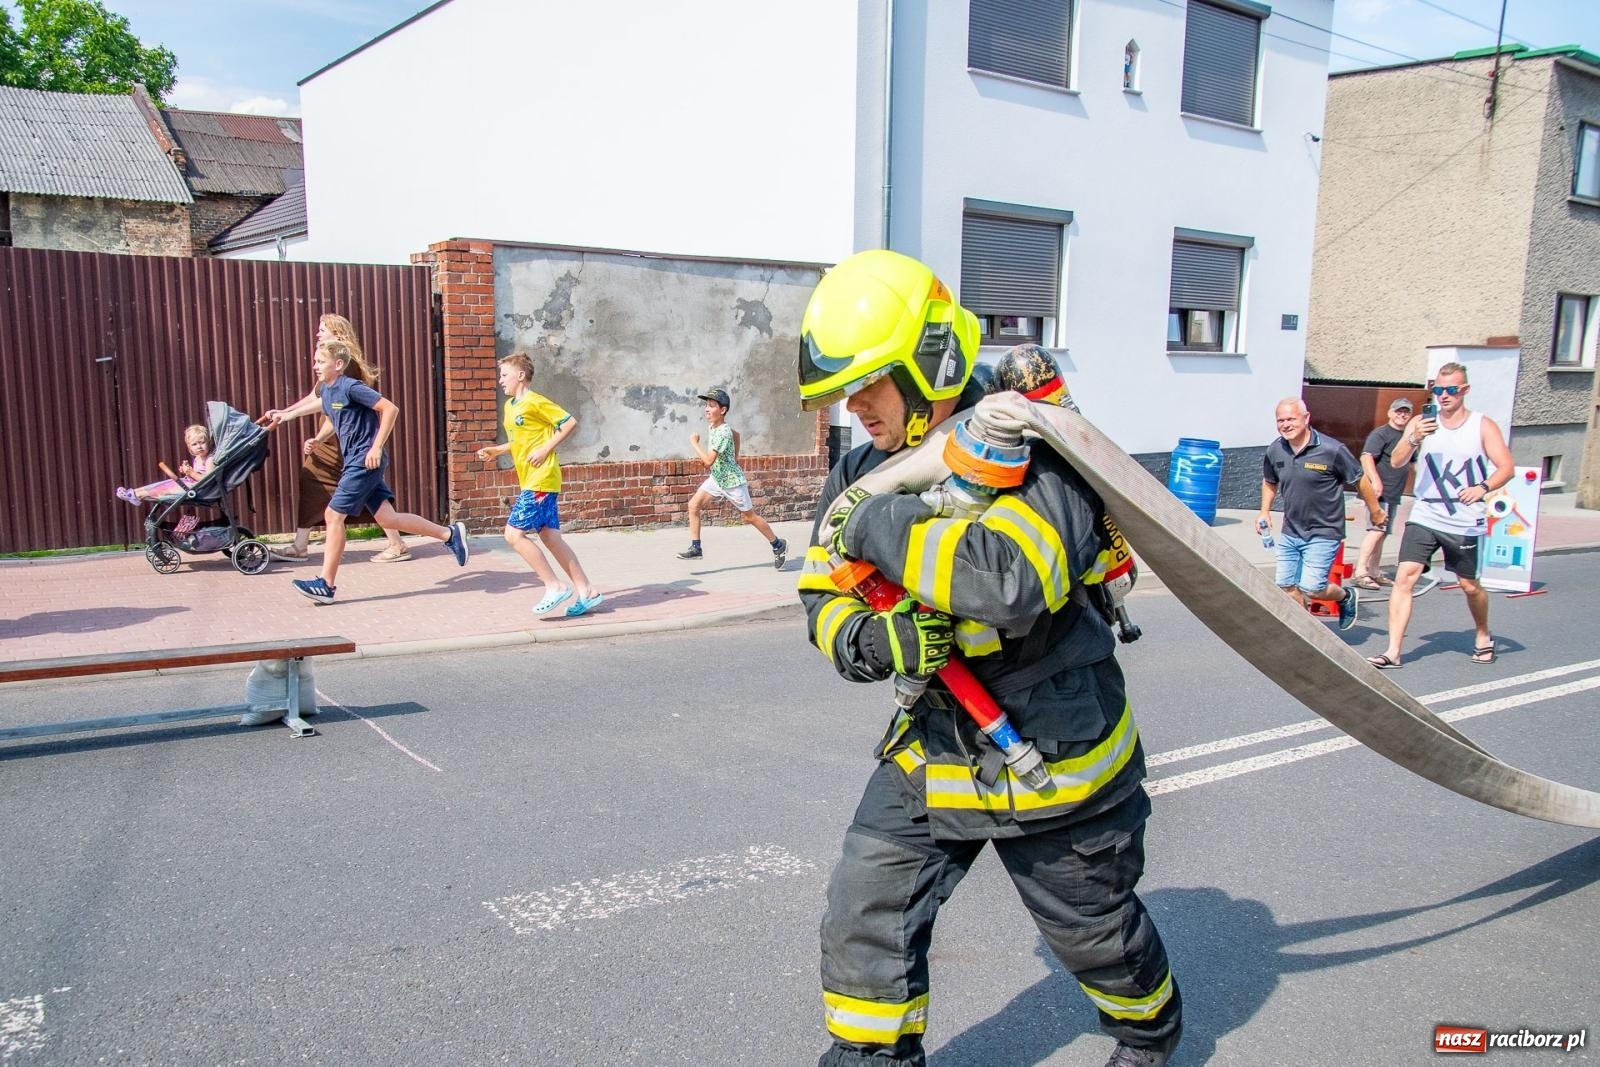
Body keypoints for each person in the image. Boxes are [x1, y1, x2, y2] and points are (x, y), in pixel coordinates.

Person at [795, 250, 1181, 1067]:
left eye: (871, 382)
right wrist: (870, 640)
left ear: (929, 363)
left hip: (1055, 744)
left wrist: (873, 521)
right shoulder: (862, 469)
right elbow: (820, 586)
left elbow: (1005, 581)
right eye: (846, 389)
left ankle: (1148, 1035)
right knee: (866, 907)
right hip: (937, 739)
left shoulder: (1035, 448)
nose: (853, 405)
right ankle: (872, 1058)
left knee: (1092, 931)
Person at [285, 339, 468, 604]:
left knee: (333, 515)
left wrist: (376, 447)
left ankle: (326, 584)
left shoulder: (352, 387)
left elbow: (390, 409)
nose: (315, 366)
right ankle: (450, 534)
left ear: (338, 364)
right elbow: (334, 420)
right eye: (315, 361)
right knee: (388, 518)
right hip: (355, 461)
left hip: (364, 461)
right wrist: (318, 440)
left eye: (321, 362)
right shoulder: (327, 390)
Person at [1367, 362, 1513, 669]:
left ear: (1465, 390)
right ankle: (1393, 650)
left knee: (1469, 585)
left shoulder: (1482, 425)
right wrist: (1413, 438)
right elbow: (1396, 461)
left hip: (1464, 518)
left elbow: (1506, 468)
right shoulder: (1421, 422)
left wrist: (1482, 488)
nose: (1444, 396)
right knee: (1405, 577)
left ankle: (1482, 633)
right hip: (1426, 513)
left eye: (1451, 390)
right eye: (1438, 389)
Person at [261, 313, 408, 563]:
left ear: (337, 333)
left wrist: (292, 415)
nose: (317, 333)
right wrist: (285, 412)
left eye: (323, 329)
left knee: (352, 488)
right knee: (355, 488)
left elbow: (333, 401)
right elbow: (316, 395)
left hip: (346, 439)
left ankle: (316, 559)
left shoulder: (343, 364)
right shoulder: (328, 359)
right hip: (335, 435)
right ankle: (303, 546)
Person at [475, 351, 603, 617]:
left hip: (541, 479)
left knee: (513, 535)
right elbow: (521, 441)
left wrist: (545, 449)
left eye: (505, 375)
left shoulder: (535, 401)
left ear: (521, 375)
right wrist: (497, 450)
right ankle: (587, 590)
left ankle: (554, 586)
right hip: (532, 480)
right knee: (550, 537)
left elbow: (569, 422)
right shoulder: (510, 407)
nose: (500, 380)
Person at [1258, 398, 1384, 631]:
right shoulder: (1275, 449)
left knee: (1313, 588)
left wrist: (1375, 511)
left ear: (1306, 418)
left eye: (1291, 419)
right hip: (1291, 530)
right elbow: (1269, 481)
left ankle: (1346, 596)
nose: (1285, 425)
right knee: (1285, 585)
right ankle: (1304, 632)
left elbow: (1360, 480)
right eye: (1280, 420)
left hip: (1324, 531)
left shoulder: (1332, 450)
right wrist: (1264, 511)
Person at [675, 386, 788, 568]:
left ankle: (778, 544)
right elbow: (737, 435)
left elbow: (708, 461)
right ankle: (696, 548)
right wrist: (735, 457)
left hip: (732, 482)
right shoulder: (715, 425)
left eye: (712, 406)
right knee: (693, 505)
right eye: (706, 405)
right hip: (717, 479)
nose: (707, 409)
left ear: (723, 410)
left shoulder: (722, 432)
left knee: (749, 517)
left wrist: (694, 443)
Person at [1351, 397, 1416, 589]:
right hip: (1379, 493)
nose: (1402, 415)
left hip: (1394, 492)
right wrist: (1375, 481)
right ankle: (1360, 571)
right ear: (1390, 413)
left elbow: (1413, 463)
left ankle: (1374, 571)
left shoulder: (1408, 438)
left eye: (1406, 412)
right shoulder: (1381, 433)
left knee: (1383, 532)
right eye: (1399, 411)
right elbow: (1366, 457)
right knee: (1376, 530)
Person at [116, 424, 212, 503]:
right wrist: (187, 472)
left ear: (208, 442)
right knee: (164, 484)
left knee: (165, 490)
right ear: (190, 447)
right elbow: (197, 475)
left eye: (202, 442)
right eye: (194, 444)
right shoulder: (198, 458)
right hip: (190, 484)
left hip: (199, 490)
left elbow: (208, 480)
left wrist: (191, 473)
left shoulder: (209, 460)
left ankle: (138, 495)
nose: (199, 446)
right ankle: (133, 492)